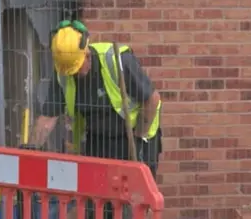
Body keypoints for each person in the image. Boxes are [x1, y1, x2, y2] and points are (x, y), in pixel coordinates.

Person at [29, 20, 163, 218]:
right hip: (98, 140)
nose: (73, 74)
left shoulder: (117, 62)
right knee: (97, 204)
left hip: (134, 139)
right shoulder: (64, 73)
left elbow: (151, 99)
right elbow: (48, 117)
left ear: (87, 54)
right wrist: (30, 151)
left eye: (77, 67)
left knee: (130, 206)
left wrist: (139, 135)